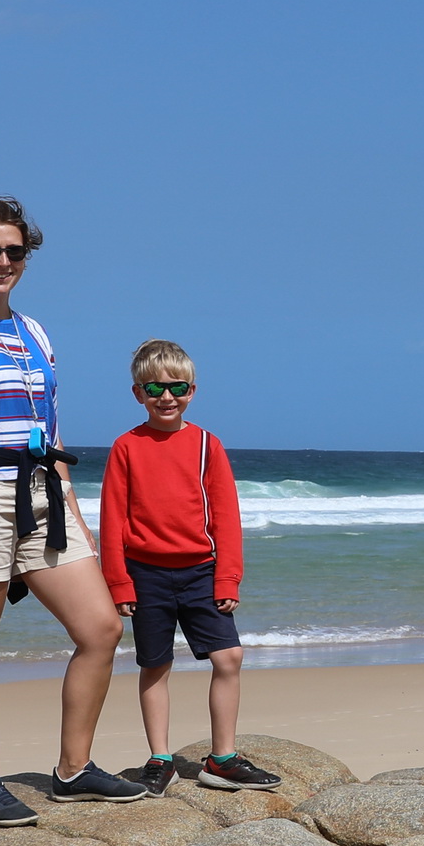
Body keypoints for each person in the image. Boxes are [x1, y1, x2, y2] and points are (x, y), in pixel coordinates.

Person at [0, 197, 143, 825]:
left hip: (43, 492)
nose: (4, 261)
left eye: (15, 251)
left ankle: (73, 770)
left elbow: (51, 428)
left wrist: (71, 504)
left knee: (100, 629)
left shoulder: (35, 332)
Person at [98, 339, 281, 795]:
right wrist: (118, 582)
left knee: (229, 656)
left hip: (202, 571)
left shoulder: (206, 444)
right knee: (155, 665)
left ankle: (222, 758)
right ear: (138, 393)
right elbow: (112, 519)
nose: (166, 396)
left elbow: (226, 516)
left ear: (192, 390)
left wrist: (228, 575)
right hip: (146, 574)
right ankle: (160, 758)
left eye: (176, 387)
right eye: (154, 387)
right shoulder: (126, 447)